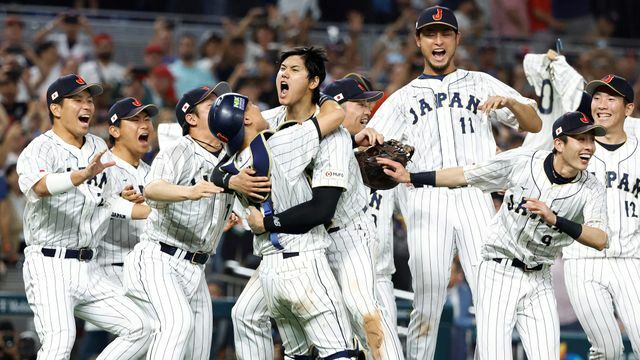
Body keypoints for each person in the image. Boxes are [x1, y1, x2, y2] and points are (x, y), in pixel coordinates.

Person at [365, 6, 542, 359]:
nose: (438, 40)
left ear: (457, 39)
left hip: (475, 196)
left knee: (493, 298)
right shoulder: (401, 98)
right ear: (418, 41)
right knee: (428, 303)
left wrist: (510, 101)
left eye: (445, 33)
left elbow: (534, 123)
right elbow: (371, 143)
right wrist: (368, 132)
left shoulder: (481, 82)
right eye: (430, 34)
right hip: (424, 201)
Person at [379, 111, 608, 359]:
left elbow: (600, 239)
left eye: (591, 140)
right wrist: (411, 177)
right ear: (559, 143)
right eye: (582, 139)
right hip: (500, 270)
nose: (590, 147)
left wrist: (555, 219)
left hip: (540, 277)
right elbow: (465, 175)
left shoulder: (591, 188)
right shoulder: (523, 161)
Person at [209, 91, 357, 359]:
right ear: (246, 120)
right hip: (305, 263)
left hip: (271, 275)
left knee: (297, 355)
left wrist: (229, 181)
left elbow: (215, 173)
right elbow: (335, 115)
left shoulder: (232, 167)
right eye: (252, 105)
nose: (258, 108)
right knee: (341, 353)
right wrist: (315, 93)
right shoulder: (281, 143)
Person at [16, 74, 152, 359]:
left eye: (89, 99)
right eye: (77, 99)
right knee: (59, 345)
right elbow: (38, 188)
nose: (86, 105)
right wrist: (80, 175)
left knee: (141, 327)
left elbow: (111, 202)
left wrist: (147, 210)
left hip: (90, 268)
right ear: (55, 108)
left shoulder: (97, 146)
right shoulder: (40, 149)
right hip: (49, 264)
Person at [123, 83, 234, 360]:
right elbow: (152, 189)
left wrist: (220, 223)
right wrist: (191, 191)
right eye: (210, 104)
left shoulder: (228, 157)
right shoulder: (179, 150)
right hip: (160, 258)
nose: (220, 106)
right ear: (192, 119)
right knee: (177, 325)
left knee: (198, 350)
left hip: (196, 268)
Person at [324, 75, 404, 351]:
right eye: (360, 103)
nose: (368, 110)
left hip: (372, 269)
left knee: (377, 333)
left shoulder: (376, 152)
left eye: (368, 103)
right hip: (322, 260)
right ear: (336, 106)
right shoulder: (316, 143)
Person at [563, 74, 640, 358]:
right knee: (608, 349)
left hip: (631, 261)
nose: (602, 104)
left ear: (628, 109)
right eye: (596, 97)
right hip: (583, 262)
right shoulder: (573, 145)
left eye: (611, 98)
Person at [521, 49, 586, 150]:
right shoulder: (574, 87)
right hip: (550, 136)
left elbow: (529, 60)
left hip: (539, 136)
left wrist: (545, 59)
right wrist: (550, 60)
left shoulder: (552, 76)